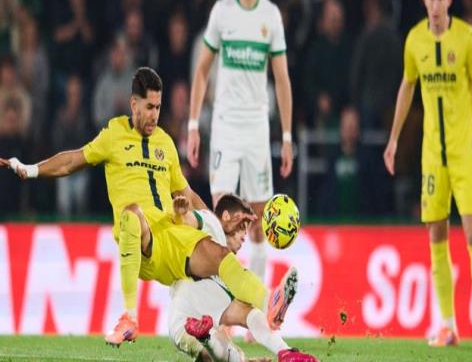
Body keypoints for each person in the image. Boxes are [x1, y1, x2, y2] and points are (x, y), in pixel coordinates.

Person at [0, 67, 278, 347]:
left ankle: (271, 303)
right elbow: (73, 160)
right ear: (134, 104)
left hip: (172, 235)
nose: (154, 114)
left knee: (220, 255)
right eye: (149, 107)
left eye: (158, 107)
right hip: (142, 239)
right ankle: (130, 317)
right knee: (132, 214)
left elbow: (188, 194)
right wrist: (32, 169)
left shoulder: (165, 143)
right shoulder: (114, 134)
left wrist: (215, 228)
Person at [383, 0, 472, 347]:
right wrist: (393, 140)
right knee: (436, 234)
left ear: (450, 0)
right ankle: (447, 325)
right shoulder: (414, 40)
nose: (435, 5)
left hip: (465, 152)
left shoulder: (465, 37)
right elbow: (406, 87)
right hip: (433, 155)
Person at [187, 0, 293, 290]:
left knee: (257, 222)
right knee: (223, 216)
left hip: (256, 128)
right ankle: (223, 300)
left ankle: (254, 301)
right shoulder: (222, 12)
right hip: (225, 125)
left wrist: (287, 136)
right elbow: (202, 69)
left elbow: (282, 79)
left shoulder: (270, 16)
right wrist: (193, 125)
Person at [170, 193, 316, 362]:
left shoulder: (225, 268)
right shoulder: (212, 225)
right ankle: (272, 310)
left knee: (234, 345)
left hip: (193, 322)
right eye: (242, 226)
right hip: (186, 311)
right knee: (240, 316)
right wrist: (180, 214)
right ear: (226, 216)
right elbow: (191, 219)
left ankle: (285, 352)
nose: (244, 236)